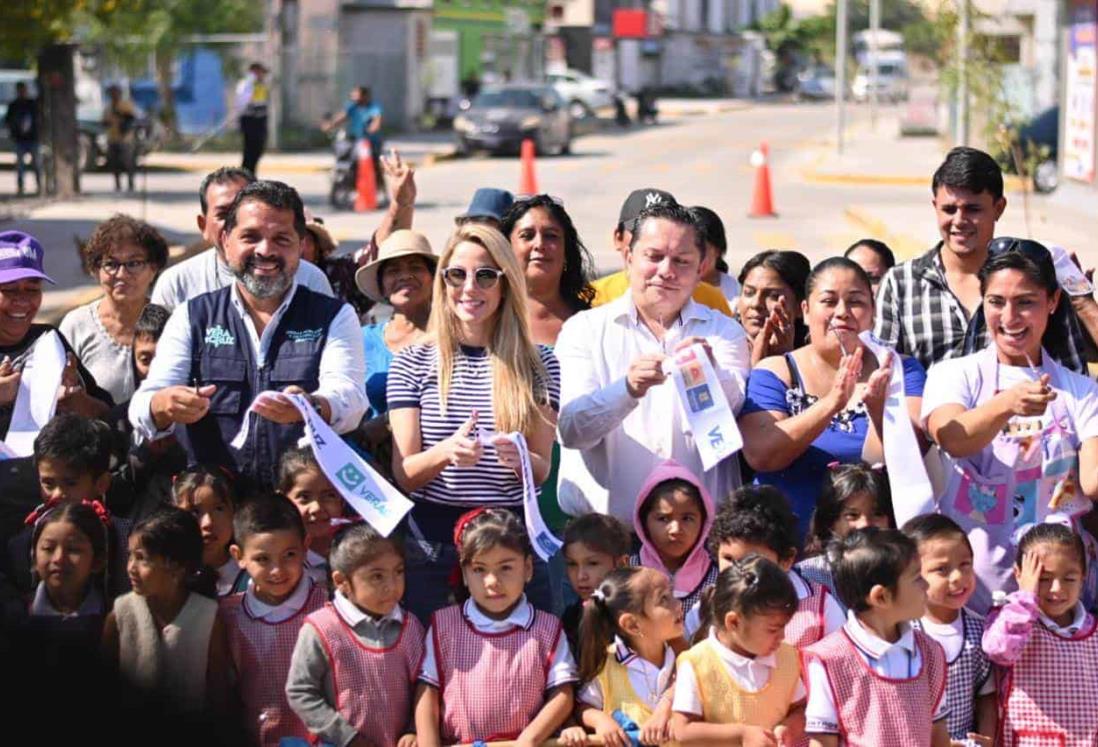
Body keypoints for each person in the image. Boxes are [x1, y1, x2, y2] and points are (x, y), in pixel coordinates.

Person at [130, 180, 368, 490]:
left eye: (281, 239)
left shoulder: (335, 316)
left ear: (300, 246)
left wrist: (312, 405)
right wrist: (164, 404)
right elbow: (143, 406)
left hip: (298, 510)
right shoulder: (192, 316)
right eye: (250, 237)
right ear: (227, 241)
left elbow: (351, 400)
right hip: (214, 511)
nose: (265, 250)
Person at [387, 224, 559, 618]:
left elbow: (542, 469)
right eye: (456, 275)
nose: (469, 288)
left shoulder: (540, 363)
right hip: (434, 543)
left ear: (505, 284)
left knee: (525, 662)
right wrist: (447, 453)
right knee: (440, 667)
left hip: (510, 539)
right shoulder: (412, 363)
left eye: (485, 276)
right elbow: (406, 472)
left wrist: (519, 458)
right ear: (443, 281)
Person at [921, 240, 1098, 614]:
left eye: (1026, 302)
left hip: (1059, 594)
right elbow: (952, 437)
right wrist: (1006, 404)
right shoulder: (954, 375)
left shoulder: (1080, 389)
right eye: (997, 302)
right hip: (972, 589)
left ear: (1052, 302)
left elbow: (1093, 481)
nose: (1010, 317)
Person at [557, 202, 750, 522]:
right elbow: (572, 429)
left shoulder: (723, 332)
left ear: (701, 267)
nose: (666, 271)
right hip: (610, 543)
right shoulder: (584, 331)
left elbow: (734, 413)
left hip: (701, 538)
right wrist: (627, 390)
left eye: (681, 261)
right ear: (629, 257)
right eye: (654, 256)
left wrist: (710, 373)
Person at [739, 257, 926, 541]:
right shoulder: (776, 371)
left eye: (856, 301)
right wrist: (832, 403)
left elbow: (917, 449)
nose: (842, 312)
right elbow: (761, 454)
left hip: (874, 554)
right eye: (828, 301)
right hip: (786, 554)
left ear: (873, 311)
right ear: (805, 310)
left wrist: (878, 412)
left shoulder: (900, 370)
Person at [874, 146, 1094, 374]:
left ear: (998, 208)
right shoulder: (900, 284)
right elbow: (884, 378)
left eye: (972, 209)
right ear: (935, 208)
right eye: (949, 209)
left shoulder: (1035, 281)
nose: (959, 221)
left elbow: (1073, 377)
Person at [413, 508, 577, 745]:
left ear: (528, 568)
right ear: (465, 574)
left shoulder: (547, 629)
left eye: (506, 567)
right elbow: (427, 691)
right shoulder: (443, 625)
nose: (492, 582)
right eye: (479, 569)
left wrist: (528, 740)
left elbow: (562, 694)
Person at [802, 528, 949, 747]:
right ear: (881, 596)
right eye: (917, 578)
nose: (926, 585)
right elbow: (822, 741)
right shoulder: (828, 660)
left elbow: (938, 734)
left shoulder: (930, 652)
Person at [286, 523, 426, 747]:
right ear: (342, 582)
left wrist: (414, 729)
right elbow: (301, 692)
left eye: (398, 572)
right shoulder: (322, 627)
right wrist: (348, 738)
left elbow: (424, 685)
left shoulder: (411, 626)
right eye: (377, 576)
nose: (392, 586)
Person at [101, 507, 231, 714]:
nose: (131, 568)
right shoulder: (121, 614)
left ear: (177, 566)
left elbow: (218, 694)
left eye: (142, 558)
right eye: (130, 556)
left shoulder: (207, 618)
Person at [150, 167, 333, 312]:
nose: (234, 223)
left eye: (243, 212)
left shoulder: (310, 279)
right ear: (203, 225)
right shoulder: (177, 284)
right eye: (224, 214)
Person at [221, 495, 326, 747]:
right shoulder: (228, 616)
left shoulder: (328, 606)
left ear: (305, 546)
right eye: (262, 559)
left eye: (289, 554)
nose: (277, 570)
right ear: (239, 555)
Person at [982, 523, 1098, 746]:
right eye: (1043, 579)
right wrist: (1025, 597)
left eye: (1069, 579)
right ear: (1019, 575)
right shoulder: (1012, 620)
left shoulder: (1093, 632)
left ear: (1083, 577)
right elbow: (999, 651)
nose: (1056, 588)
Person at [670, 557, 807, 745]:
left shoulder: (786, 657)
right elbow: (683, 729)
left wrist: (789, 727)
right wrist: (741, 734)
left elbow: (799, 708)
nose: (782, 636)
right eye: (773, 629)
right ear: (734, 622)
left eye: (784, 627)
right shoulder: (697, 663)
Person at [696, 486, 845, 648]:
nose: (739, 570)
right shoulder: (706, 605)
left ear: (786, 560)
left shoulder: (821, 608)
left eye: (752, 560)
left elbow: (840, 659)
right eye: (728, 558)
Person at [0, 231, 114, 441]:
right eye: (9, 290)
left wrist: (77, 402)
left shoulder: (47, 341)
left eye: (32, 289)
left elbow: (109, 417)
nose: (23, 301)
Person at [2, 414, 122, 610]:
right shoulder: (20, 543)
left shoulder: (124, 539)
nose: (58, 494)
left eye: (71, 483)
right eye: (48, 484)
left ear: (101, 483)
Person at [903, 514, 996, 746]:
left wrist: (987, 739)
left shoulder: (981, 631)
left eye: (965, 565)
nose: (957, 577)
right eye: (942, 570)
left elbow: (987, 697)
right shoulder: (902, 632)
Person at [567, 566, 681, 745]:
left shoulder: (684, 658)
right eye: (664, 599)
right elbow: (583, 706)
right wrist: (600, 720)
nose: (678, 604)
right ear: (632, 625)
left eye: (672, 593)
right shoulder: (606, 667)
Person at [60, 215, 168, 403]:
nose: (122, 274)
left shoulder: (172, 324)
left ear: (153, 269)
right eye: (111, 264)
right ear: (96, 271)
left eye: (134, 264)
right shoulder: (77, 325)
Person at [589, 189, 733, 316]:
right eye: (637, 231)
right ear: (618, 238)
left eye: (680, 260)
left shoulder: (711, 300)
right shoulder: (592, 297)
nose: (665, 269)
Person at [354, 229, 436, 424]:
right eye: (393, 270)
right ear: (381, 285)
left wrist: (386, 424)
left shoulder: (452, 338)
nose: (405, 276)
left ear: (434, 279)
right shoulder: (360, 340)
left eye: (415, 267)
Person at [500, 193, 596, 346]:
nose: (539, 244)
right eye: (527, 235)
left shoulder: (593, 324)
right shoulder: (489, 320)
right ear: (507, 248)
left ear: (566, 250)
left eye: (551, 235)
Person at [629, 460, 718, 615]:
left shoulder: (717, 578)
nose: (676, 530)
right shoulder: (628, 573)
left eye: (687, 518)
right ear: (643, 522)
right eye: (663, 519)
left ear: (704, 522)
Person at [796, 463, 894, 604]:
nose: (865, 524)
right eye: (852, 515)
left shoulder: (904, 574)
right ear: (830, 521)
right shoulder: (806, 577)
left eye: (877, 514)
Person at [26, 501, 112, 647]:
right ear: (34, 556)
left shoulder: (114, 619)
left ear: (98, 560)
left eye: (73, 549)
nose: (59, 558)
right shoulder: (15, 616)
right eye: (48, 548)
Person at [560, 513, 631, 658]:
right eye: (572, 564)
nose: (581, 576)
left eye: (592, 563)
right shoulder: (571, 618)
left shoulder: (635, 615)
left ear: (621, 564)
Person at [172, 466, 245, 598]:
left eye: (218, 509)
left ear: (235, 511)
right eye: (195, 512)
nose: (208, 523)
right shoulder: (166, 575)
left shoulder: (251, 575)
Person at [279, 445, 345, 587]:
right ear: (282, 501)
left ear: (343, 500)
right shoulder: (278, 563)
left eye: (329, 495)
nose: (316, 508)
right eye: (304, 497)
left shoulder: (357, 552)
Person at [736, 249, 811, 368]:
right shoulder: (721, 345)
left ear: (800, 307)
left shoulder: (815, 359)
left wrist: (782, 362)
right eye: (749, 292)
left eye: (773, 296)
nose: (756, 304)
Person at [322, 86, 385, 197]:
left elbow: (377, 119)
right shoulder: (352, 107)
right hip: (354, 141)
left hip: (370, 142)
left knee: (374, 163)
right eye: (353, 95)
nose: (354, 97)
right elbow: (342, 117)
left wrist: (374, 127)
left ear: (365, 96)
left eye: (357, 95)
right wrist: (330, 125)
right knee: (344, 155)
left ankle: (379, 186)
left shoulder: (373, 107)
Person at [692, 205, 741, 307]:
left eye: (701, 249)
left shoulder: (737, 293)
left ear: (717, 250)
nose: (693, 257)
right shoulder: (671, 288)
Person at [4, 81, 40, 196]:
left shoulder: (31, 104)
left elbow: (38, 119)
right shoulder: (14, 105)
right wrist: (13, 132)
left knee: (36, 164)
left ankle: (39, 186)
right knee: (20, 166)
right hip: (20, 139)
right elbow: (8, 121)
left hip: (32, 138)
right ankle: (20, 187)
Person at [235, 62, 270, 176]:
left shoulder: (261, 84)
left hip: (260, 120)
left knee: (258, 149)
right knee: (250, 150)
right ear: (254, 72)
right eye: (260, 72)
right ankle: (246, 175)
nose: (262, 75)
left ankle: (251, 174)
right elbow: (242, 102)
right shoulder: (247, 83)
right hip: (250, 120)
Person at [103, 84, 138, 193]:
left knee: (127, 162)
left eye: (115, 92)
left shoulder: (125, 105)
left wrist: (120, 114)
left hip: (125, 138)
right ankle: (117, 184)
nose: (113, 95)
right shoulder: (108, 107)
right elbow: (104, 121)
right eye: (111, 93)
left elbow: (131, 118)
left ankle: (130, 183)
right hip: (112, 138)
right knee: (114, 163)